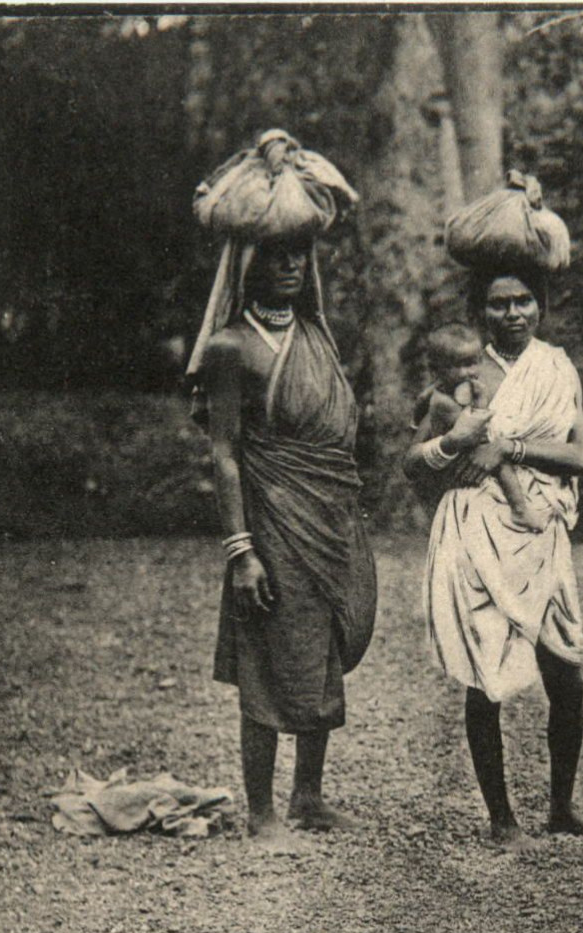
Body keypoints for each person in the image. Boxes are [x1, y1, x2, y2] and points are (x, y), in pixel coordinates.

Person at [184, 131, 376, 846]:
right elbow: (225, 453)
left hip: (327, 514)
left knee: (322, 643)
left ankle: (309, 795)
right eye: (276, 253)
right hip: (270, 519)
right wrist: (241, 551)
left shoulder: (317, 335)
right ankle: (261, 808)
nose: (291, 265)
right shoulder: (232, 347)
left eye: (301, 253)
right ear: (246, 261)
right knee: (268, 651)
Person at [406, 259, 583, 849]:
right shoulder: (458, 373)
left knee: (565, 674)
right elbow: (412, 463)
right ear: (480, 311)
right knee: (484, 673)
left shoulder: (556, 367)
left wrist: (512, 446)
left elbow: (579, 457)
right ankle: (501, 819)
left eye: (522, 300)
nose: (512, 313)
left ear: (539, 305)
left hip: (540, 525)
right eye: (498, 303)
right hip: (478, 527)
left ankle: (562, 806)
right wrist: (453, 442)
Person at [408, 321, 540, 526]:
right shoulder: (443, 402)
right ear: (437, 369)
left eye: (471, 363)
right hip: (461, 455)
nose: (465, 373)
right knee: (498, 459)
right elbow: (477, 428)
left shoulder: (448, 388)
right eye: (454, 366)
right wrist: (481, 400)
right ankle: (520, 508)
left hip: (462, 458)